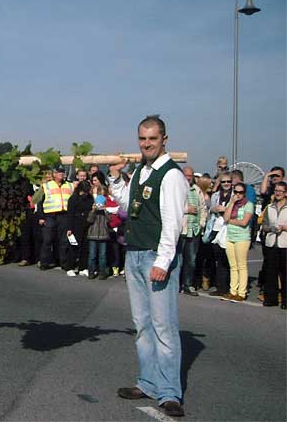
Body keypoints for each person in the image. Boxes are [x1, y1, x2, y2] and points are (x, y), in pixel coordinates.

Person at [109, 115, 189, 418]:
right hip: (135, 254)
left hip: (156, 256)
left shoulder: (171, 175)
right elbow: (129, 205)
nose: (147, 144)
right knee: (142, 325)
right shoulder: (142, 171)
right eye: (142, 139)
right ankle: (148, 382)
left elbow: (173, 223)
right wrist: (116, 179)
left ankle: (170, 393)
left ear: (164, 139)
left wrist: (163, 261)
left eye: (152, 139)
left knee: (163, 327)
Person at [221, 183, 254, 302]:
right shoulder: (232, 203)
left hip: (242, 238)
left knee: (241, 265)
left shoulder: (248, 205)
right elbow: (225, 218)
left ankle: (241, 292)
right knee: (233, 266)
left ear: (244, 193)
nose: (238, 194)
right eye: (236, 192)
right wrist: (232, 203)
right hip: (230, 237)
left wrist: (230, 221)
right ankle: (232, 291)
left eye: (240, 192)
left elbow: (244, 222)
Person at [38, 165, 74, 270]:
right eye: (59, 172)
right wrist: (41, 217)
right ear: (54, 174)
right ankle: (44, 262)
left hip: (64, 216)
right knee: (47, 240)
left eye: (63, 172)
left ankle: (63, 263)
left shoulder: (70, 185)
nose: (61, 174)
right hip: (50, 216)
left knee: (63, 241)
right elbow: (39, 202)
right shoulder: (46, 186)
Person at [179, 166, 207, 296]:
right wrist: (186, 209)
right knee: (178, 260)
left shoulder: (197, 190)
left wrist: (202, 223)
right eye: (186, 175)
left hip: (194, 230)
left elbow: (203, 208)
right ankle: (176, 284)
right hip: (181, 230)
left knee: (191, 260)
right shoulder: (177, 189)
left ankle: (188, 285)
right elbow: (171, 207)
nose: (188, 178)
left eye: (190, 176)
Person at [260, 181, 287, 308]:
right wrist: (269, 228)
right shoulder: (270, 207)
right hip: (271, 242)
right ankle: (271, 298)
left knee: (285, 273)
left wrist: (284, 228)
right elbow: (264, 224)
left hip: (284, 243)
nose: (278, 193)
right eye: (276, 190)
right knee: (271, 272)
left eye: (281, 191)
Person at [66, 179, 93, 277]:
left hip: (86, 224)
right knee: (74, 246)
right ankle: (70, 267)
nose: (84, 194)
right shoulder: (73, 199)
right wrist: (69, 228)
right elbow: (70, 214)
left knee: (85, 247)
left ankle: (83, 267)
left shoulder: (90, 198)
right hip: (75, 224)